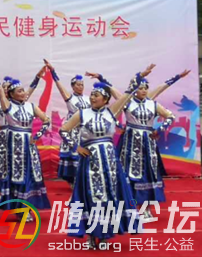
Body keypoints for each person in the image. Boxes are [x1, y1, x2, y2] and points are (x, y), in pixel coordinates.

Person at [59, 68, 151, 249]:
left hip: (110, 162)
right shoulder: (82, 113)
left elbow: (129, 92)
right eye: (92, 95)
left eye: (97, 95)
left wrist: (140, 75)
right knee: (91, 195)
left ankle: (106, 233)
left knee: (111, 194)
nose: (92, 97)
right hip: (90, 161)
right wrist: (76, 147)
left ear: (106, 99)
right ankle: (92, 234)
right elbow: (63, 130)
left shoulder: (111, 111)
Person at [88, 68, 189, 217]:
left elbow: (170, 115)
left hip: (148, 143)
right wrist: (100, 78)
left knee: (148, 173)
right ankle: (128, 205)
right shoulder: (127, 102)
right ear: (135, 90)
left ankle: (146, 208)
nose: (143, 90)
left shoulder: (152, 104)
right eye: (140, 88)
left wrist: (159, 129)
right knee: (128, 172)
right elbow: (111, 91)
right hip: (130, 143)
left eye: (145, 88)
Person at [0, 72, 51, 218]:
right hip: (14, 147)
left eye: (23, 90)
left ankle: (27, 207)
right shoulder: (8, 106)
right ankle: (18, 209)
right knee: (16, 175)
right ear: (11, 94)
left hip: (29, 147)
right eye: (19, 91)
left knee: (31, 175)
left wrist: (37, 136)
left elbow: (46, 120)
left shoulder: (31, 106)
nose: (23, 93)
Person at [0, 66, 45, 195]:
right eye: (4, 87)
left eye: (7, 87)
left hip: (18, 135)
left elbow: (31, 89)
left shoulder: (21, 103)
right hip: (3, 134)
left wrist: (37, 77)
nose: (5, 89)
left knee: (19, 164)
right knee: (2, 161)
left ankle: (19, 191)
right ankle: (3, 188)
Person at [43, 59, 92, 186]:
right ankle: (74, 181)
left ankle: (84, 180)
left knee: (86, 155)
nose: (80, 87)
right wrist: (53, 72)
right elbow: (59, 86)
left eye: (82, 85)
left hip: (85, 130)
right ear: (73, 86)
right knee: (74, 155)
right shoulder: (70, 98)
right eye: (78, 85)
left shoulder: (88, 99)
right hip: (73, 130)